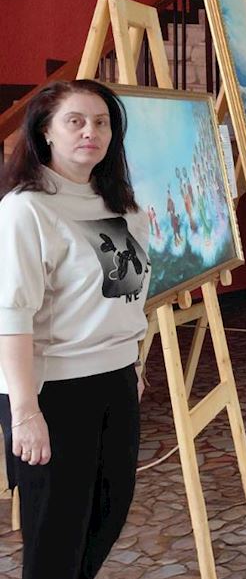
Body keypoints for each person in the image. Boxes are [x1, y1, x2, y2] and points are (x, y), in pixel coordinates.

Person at [0, 79, 150, 579]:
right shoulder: (27, 209)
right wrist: (25, 412)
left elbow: (128, 294)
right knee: (57, 535)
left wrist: (134, 362)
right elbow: (11, 316)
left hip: (116, 379)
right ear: (46, 131)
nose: (91, 132)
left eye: (101, 122)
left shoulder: (123, 206)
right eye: (76, 121)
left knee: (109, 515)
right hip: (53, 390)